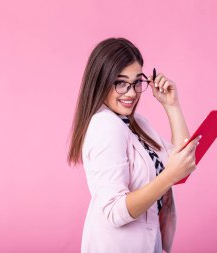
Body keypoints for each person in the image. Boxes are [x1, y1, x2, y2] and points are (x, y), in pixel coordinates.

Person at [67, 37, 200, 253]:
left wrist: (172, 106)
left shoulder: (138, 124)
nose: (131, 93)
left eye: (137, 82)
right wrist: (169, 176)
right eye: (120, 83)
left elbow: (182, 166)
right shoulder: (105, 126)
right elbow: (114, 211)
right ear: (101, 82)